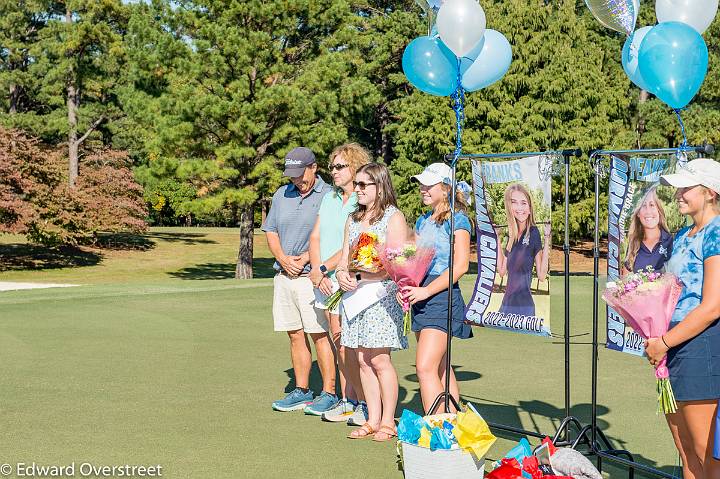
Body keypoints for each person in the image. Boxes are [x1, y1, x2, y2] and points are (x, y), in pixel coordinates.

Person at [645, 158, 720, 479]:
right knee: (686, 452)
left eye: (685, 188)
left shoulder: (716, 234)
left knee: (708, 457)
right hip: (672, 349)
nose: (677, 194)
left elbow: (713, 306)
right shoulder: (684, 235)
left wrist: (663, 341)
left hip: (701, 350)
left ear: (710, 192)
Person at [335, 163, 408, 442]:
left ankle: (388, 421)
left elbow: (398, 263)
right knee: (363, 360)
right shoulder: (353, 219)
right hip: (354, 298)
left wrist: (365, 273)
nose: (358, 189)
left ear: (380, 186)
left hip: (381, 296)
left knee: (379, 359)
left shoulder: (393, 217)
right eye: (357, 184)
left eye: (364, 185)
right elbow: (344, 259)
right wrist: (343, 275)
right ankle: (372, 418)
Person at [263, 147, 336, 413]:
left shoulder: (329, 195)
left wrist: (305, 258)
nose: (296, 180)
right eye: (291, 175)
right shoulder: (281, 195)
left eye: (300, 174)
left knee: (319, 335)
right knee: (294, 334)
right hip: (284, 276)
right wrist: (283, 258)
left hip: (312, 277)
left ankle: (329, 392)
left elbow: (332, 235)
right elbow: (271, 231)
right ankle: (302, 390)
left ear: (314, 168)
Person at [401, 163, 473, 414]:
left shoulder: (459, 220)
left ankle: (437, 427)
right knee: (441, 365)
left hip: (441, 297)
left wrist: (426, 291)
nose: (422, 189)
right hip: (421, 297)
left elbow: (461, 266)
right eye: (421, 184)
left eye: (428, 185)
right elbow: (415, 258)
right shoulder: (423, 220)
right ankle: (453, 421)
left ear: (445, 188)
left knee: (424, 367)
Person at [308, 143, 370, 422]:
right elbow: (316, 236)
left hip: (350, 279)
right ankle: (348, 400)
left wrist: (322, 268)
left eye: (339, 166)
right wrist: (317, 271)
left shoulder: (363, 199)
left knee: (353, 345)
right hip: (325, 280)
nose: (332, 171)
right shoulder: (330, 198)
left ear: (355, 167)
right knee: (338, 342)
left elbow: (351, 244)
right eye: (331, 166)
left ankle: (365, 402)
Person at [496, 183, 551, 317]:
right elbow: (502, 271)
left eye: (523, 203)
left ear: (530, 208)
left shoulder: (534, 233)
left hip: (524, 307)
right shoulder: (512, 234)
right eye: (514, 202)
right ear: (510, 207)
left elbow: (542, 276)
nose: (519, 208)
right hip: (506, 306)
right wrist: (497, 238)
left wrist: (547, 238)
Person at [622, 187, 673, 275]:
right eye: (643, 206)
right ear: (638, 213)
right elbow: (625, 281)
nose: (648, 211)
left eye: (652, 205)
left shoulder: (671, 241)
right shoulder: (633, 244)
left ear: (659, 210)